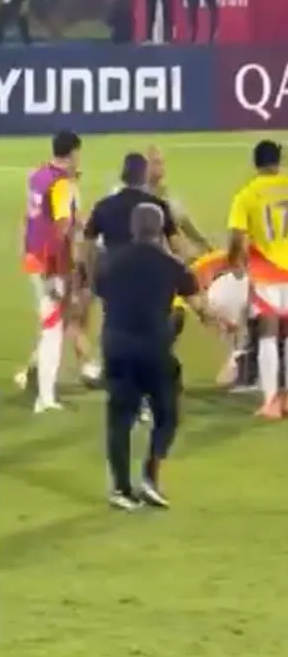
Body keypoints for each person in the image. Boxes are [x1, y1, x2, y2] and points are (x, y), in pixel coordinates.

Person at [94, 204, 223, 510]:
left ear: (133, 229)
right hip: (153, 348)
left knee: (119, 419)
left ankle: (121, 490)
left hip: (116, 346)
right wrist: (217, 320)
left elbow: (100, 293)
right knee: (168, 412)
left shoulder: (109, 262)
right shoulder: (174, 266)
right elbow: (200, 307)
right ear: (160, 229)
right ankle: (151, 474)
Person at [15, 130, 88, 412]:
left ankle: (35, 379)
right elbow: (61, 226)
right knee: (53, 328)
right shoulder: (60, 185)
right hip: (50, 265)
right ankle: (45, 398)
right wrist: (56, 269)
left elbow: (30, 217)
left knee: (52, 324)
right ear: (71, 153)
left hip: (34, 259)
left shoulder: (38, 176)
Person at [227, 140, 288, 418]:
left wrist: (234, 262)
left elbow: (238, 237)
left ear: (256, 163)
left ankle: (270, 400)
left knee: (268, 331)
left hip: (266, 271)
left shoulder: (246, 195)